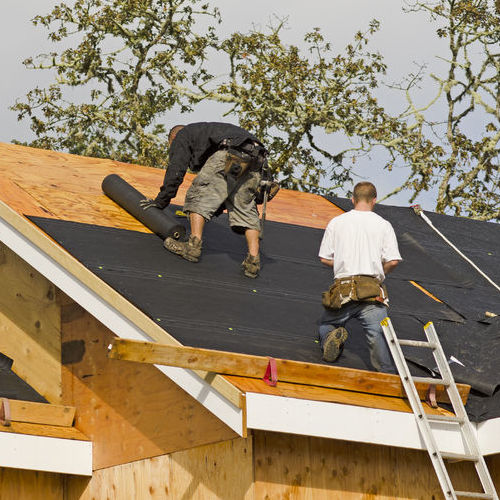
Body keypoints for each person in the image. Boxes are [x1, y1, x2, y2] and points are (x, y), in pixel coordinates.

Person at [140, 122, 268, 278]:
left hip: (231, 153)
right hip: (258, 160)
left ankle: (192, 247)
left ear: (172, 139)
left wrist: (161, 201)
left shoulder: (182, 135)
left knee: (198, 195)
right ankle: (253, 262)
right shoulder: (212, 134)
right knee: (246, 209)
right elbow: (222, 189)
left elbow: (176, 169)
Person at [317, 181, 402, 373]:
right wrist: (380, 274)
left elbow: (324, 258)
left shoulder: (337, 222)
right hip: (371, 288)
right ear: (374, 200)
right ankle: (386, 374)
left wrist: (341, 264)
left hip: (343, 287)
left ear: (352, 199)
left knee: (327, 323)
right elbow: (393, 261)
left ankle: (331, 337)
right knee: (378, 334)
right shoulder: (383, 225)